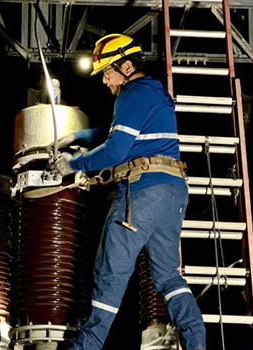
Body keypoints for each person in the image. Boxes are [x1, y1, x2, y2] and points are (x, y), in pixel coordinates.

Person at [50, 33, 206, 350]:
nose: (105, 81)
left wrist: (73, 164)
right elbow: (119, 133)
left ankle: (85, 346)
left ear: (127, 65)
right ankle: (197, 342)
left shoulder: (131, 94)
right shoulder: (153, 93)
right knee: (167, 277)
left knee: (110, 272)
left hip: (143, 192)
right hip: (173, 192)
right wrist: (78, 135)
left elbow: (116, 151)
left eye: (107, 72)